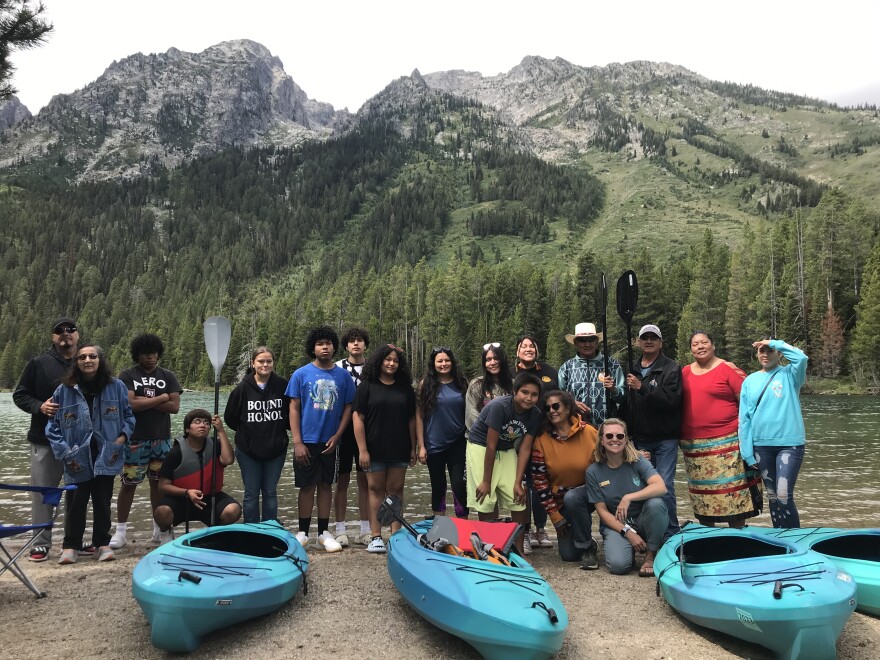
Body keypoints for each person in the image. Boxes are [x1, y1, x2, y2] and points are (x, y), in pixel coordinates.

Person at [45, 344, 135, 565]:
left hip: (107, 452)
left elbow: (129, 417)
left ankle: (102, 543)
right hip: (76, 454)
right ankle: (70, 545)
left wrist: (121, 439)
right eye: (82, 357)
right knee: (76, 501)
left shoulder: (116, 386)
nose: (87, 360)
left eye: (92, 356)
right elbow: (52, 426)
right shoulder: (64, 390)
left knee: (103, 499)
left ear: (99, 360)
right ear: (76, 362)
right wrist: (65, 450)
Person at [13, 317, 80, 562]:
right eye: (59, 331)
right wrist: (40, 407)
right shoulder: (38, 363)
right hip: (44, 440)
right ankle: (41, 542)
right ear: (53, 337)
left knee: (77, 491)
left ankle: (74, 540)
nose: (65, 334)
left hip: (79, 442)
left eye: (70, 330)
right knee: (43, 492)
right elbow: (20, 395)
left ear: (77, 335)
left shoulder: (86, 360)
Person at [680, 331, 762, 527]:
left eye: (704, 342)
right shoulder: (684, 372)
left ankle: (737, 538)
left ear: (713, 345)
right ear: (690, 349)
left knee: (734, 496)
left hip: (728, 442)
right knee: (703, 498)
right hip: (693, 446)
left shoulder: (728, 369)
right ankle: (708, 540)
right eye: (695, 344)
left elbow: (749, 403)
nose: (700, 346)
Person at [110, 333, 182, 549]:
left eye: (153, 353)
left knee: (159, 486)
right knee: (128, 484)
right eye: (145, 354)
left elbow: (175, 407)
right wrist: (161, 398)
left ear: (158, 354)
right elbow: (130, 404)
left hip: (161, 440)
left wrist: (145, 401)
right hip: (135, 439)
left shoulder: (168, 376)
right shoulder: (128, 375)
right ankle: (121, 531)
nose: (150, 357)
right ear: (137, 355)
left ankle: (160, 529)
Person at [286, 326, 354, 552]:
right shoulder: (301, 374)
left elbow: (347, 408)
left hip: (330, 442)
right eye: (319, 344)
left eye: (328, 343)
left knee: (326, 485)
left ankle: (324, 532)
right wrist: (297, 442)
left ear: (334, 346)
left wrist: (338, 435)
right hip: (306, 440)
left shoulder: (343, 376)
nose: (324, 347)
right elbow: (293, 408)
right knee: (306, 486)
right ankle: (303, 533)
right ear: (312, 348)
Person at [466, 371, 543, 557]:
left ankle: (518, 549)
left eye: (534, 394)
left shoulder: (535, 414)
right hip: (481, 447)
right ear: (515, 392)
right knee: (486, 498)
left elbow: (524, 449)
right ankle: (489, 548)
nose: (529, 398)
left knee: (518, 498)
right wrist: (486, 480)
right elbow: (491, 445)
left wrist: (518, 482)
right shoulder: (499, 406)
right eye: (525, 392)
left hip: (507, 449)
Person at [353, 344, 417, 553]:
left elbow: (411, 420)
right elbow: (358, 417)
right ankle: (376, 536)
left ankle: (396, 535)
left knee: (396, 490)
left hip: (399, 447)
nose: (391, 364)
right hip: (374, 448)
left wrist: (413, 447)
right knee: (376, 490)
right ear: (379, 361)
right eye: (387, 359)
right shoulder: (367, 386)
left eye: (396, 361)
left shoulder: (405, 388)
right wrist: (362, 450)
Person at [739, 337, 808, 528]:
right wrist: (747, 452)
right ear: (756, 354)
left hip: (790, 444)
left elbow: (801, 358)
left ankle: (794, 536)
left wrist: (775, 342)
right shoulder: (750, 381)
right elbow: (744, 419)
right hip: (761, 446)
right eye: (762, 350)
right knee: (772, 495)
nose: (765, 354)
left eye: (770, 350)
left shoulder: (791, 375)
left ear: (779, 354)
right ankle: (780, 534)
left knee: (784, 494)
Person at [621, 324, 682, 539]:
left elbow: (671, 401)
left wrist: (642, 387)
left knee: (664, 486)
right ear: (638, 342)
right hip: (639, 440)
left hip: (664, 439)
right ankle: (646, 531)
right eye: (644, 337)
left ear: (660, 342)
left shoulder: (672, 368)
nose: (649, 341)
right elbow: (625, 405)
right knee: (640, 486)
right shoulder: (630, 368)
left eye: (653, 338)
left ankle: (671, 533)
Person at [586, 418, 668, 576]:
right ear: (601, 441)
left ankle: (650, 555)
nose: (615, 439)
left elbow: (660, 486)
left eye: (620, 436)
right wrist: (628, 533)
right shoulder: (593, 471)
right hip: (618, 524)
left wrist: (628, 497)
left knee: (656, 504)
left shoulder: (638, 461)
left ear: (626, 439)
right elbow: (602, 512)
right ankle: (629, 546)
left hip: (644, 519)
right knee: (618, 567)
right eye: (609, 436)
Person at [530, 390, 600, 569]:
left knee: (574, 497)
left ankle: (587, 548)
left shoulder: (590, 432)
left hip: (592, 494)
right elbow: (540, 482)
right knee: (568, 555)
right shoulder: (541, 440)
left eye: (556, 406)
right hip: (562, 500)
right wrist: (555, 516)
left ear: (568, 408)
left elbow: (608, 464)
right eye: (547, 408)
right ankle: (585, 539)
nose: (551, 411)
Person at [223, 346, 289, 523]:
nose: (265, 365)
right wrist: (248, 434)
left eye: (269, 361)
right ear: (253, 363)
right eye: (261, 361)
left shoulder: (283, 386)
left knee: (270, 492)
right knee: (251, 493)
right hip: (248, 451)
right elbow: (230, 417)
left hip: (276, 450)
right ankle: (251, 531)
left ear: (273, 363)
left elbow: (291, 415)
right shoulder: (242, 388)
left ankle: (270, 530)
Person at [153, 409, 241, 535]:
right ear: (187, 429)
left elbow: (228, 460)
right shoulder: (176, 453)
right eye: (197, 422)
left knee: (233, 510)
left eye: (206, 423)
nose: (202, 425)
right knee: (162, 512)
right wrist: (187, 492)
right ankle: (165, 533)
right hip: (182, 499)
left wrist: (221, 430)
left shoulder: (216, 445)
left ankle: (214, 534)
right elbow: (162, 487)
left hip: (210, 498)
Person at [514, 334, 557, 552]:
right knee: (522, 481)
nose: (529, 349)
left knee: (540, 481)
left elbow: (558, 397)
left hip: (544, 434)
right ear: (517, 351)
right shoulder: (511, 374)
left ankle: (541, 528)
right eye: (524, 346)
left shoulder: (549, 372)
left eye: (532, 345)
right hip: (518, 436)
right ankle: (526, 529)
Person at [416, 347, 469, 518]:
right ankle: (440, 525)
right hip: (434, 443)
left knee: (459, 485)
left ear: (452, 362)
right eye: (440, 361)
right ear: (434, 364)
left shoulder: (462, 382)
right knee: (438, 486)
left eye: (447, 360)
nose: (444, 364)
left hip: (458, 442)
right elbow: (419, 417)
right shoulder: (426, 384)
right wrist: (421, 446)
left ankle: (463, 524)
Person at [333, 327, 371, 546]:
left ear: (365, 344)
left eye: (360, 340)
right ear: (346, 345)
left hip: (367, 431)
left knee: (365, 480)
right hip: (343, 430)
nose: (356, 344)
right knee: (342, 481)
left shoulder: (373, 368)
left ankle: (366, 529)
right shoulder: (337, 368)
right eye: (351, 341)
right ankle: (340, 530)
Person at [558, 322, 625, 428]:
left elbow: (623, 398)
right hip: (576, 427)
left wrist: (613, 390)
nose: (587, 344)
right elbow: (558, 399)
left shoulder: (612, 365)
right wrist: (572, 403)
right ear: (575, 343)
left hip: (606, 429)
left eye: (591, 339)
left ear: (597, 341)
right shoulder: (566, 368)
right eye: (582, 340)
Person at [465, 342, 514, 432]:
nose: (492, 362)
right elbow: (472, 417)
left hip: (506, 439)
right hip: (479, 438)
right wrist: (490, 435)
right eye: (488, 359)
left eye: (496, 358)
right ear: (484, 363)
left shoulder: (513, 385)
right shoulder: (476, 385)